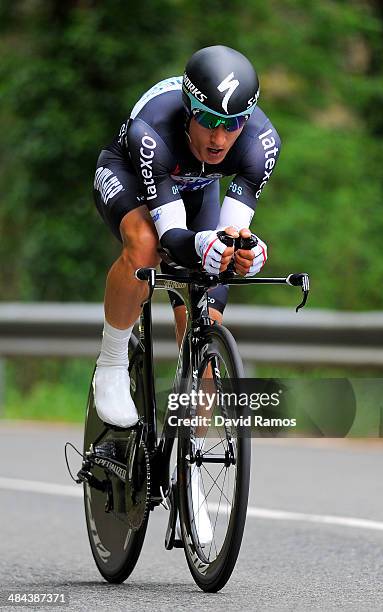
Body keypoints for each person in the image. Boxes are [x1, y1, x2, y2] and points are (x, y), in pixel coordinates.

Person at [93, 44, 281, 544]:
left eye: (232, 124)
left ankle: (190, 473)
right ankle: (111, 363)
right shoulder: (154, 129)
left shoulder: (261, 143)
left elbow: (231, 232)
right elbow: (174, 239)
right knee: (146, 246)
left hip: (197, 196)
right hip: (132, 179)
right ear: (189, 110)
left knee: (205, 327)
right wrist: (203, 245)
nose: (220, 138)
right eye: (208, 123)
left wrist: (244, 251)